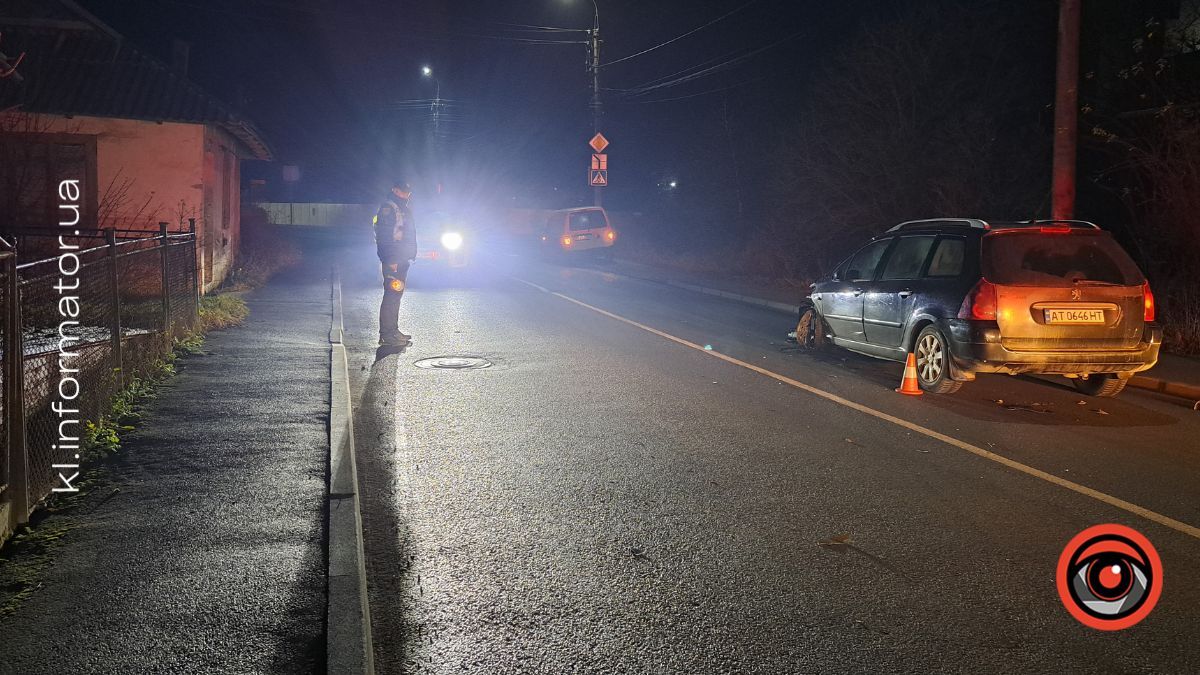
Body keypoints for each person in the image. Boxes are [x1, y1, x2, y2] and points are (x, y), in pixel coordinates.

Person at [374, 180, 418, 346]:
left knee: (396, 295)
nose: (407, 194)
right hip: (394, 260)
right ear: (394, 190)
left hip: (401, 259)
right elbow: (385, 237)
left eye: (408, 192)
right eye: (403, 191)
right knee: (391, 296)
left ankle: (393, 331)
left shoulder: (401, 208)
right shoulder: (389, 208)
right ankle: (386, 334)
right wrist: (391, 259)